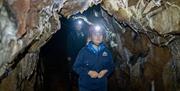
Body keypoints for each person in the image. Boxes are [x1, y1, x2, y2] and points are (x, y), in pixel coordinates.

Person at [73, 25, 114, 91]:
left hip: (101, 85)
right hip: (86, 86)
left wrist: (106, 70)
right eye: (95, 34)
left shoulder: (106, 51)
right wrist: (88, 72)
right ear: (91, 37)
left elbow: (111, 66)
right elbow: (76, 67)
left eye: (100, 34)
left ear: (103, 36)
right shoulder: (84, 51)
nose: (98, 37)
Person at [67, 19, 88, 91]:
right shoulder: (71, 34)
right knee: (72, 70)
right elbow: (69, 45)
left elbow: (84, 45)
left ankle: (79, 85)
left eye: (80, 25)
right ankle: (70, 85)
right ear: (75, 26)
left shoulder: (83, 34)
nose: (78, 26)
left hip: (81, 56)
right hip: (73, 55)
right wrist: (69, 55)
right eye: (77, 25)